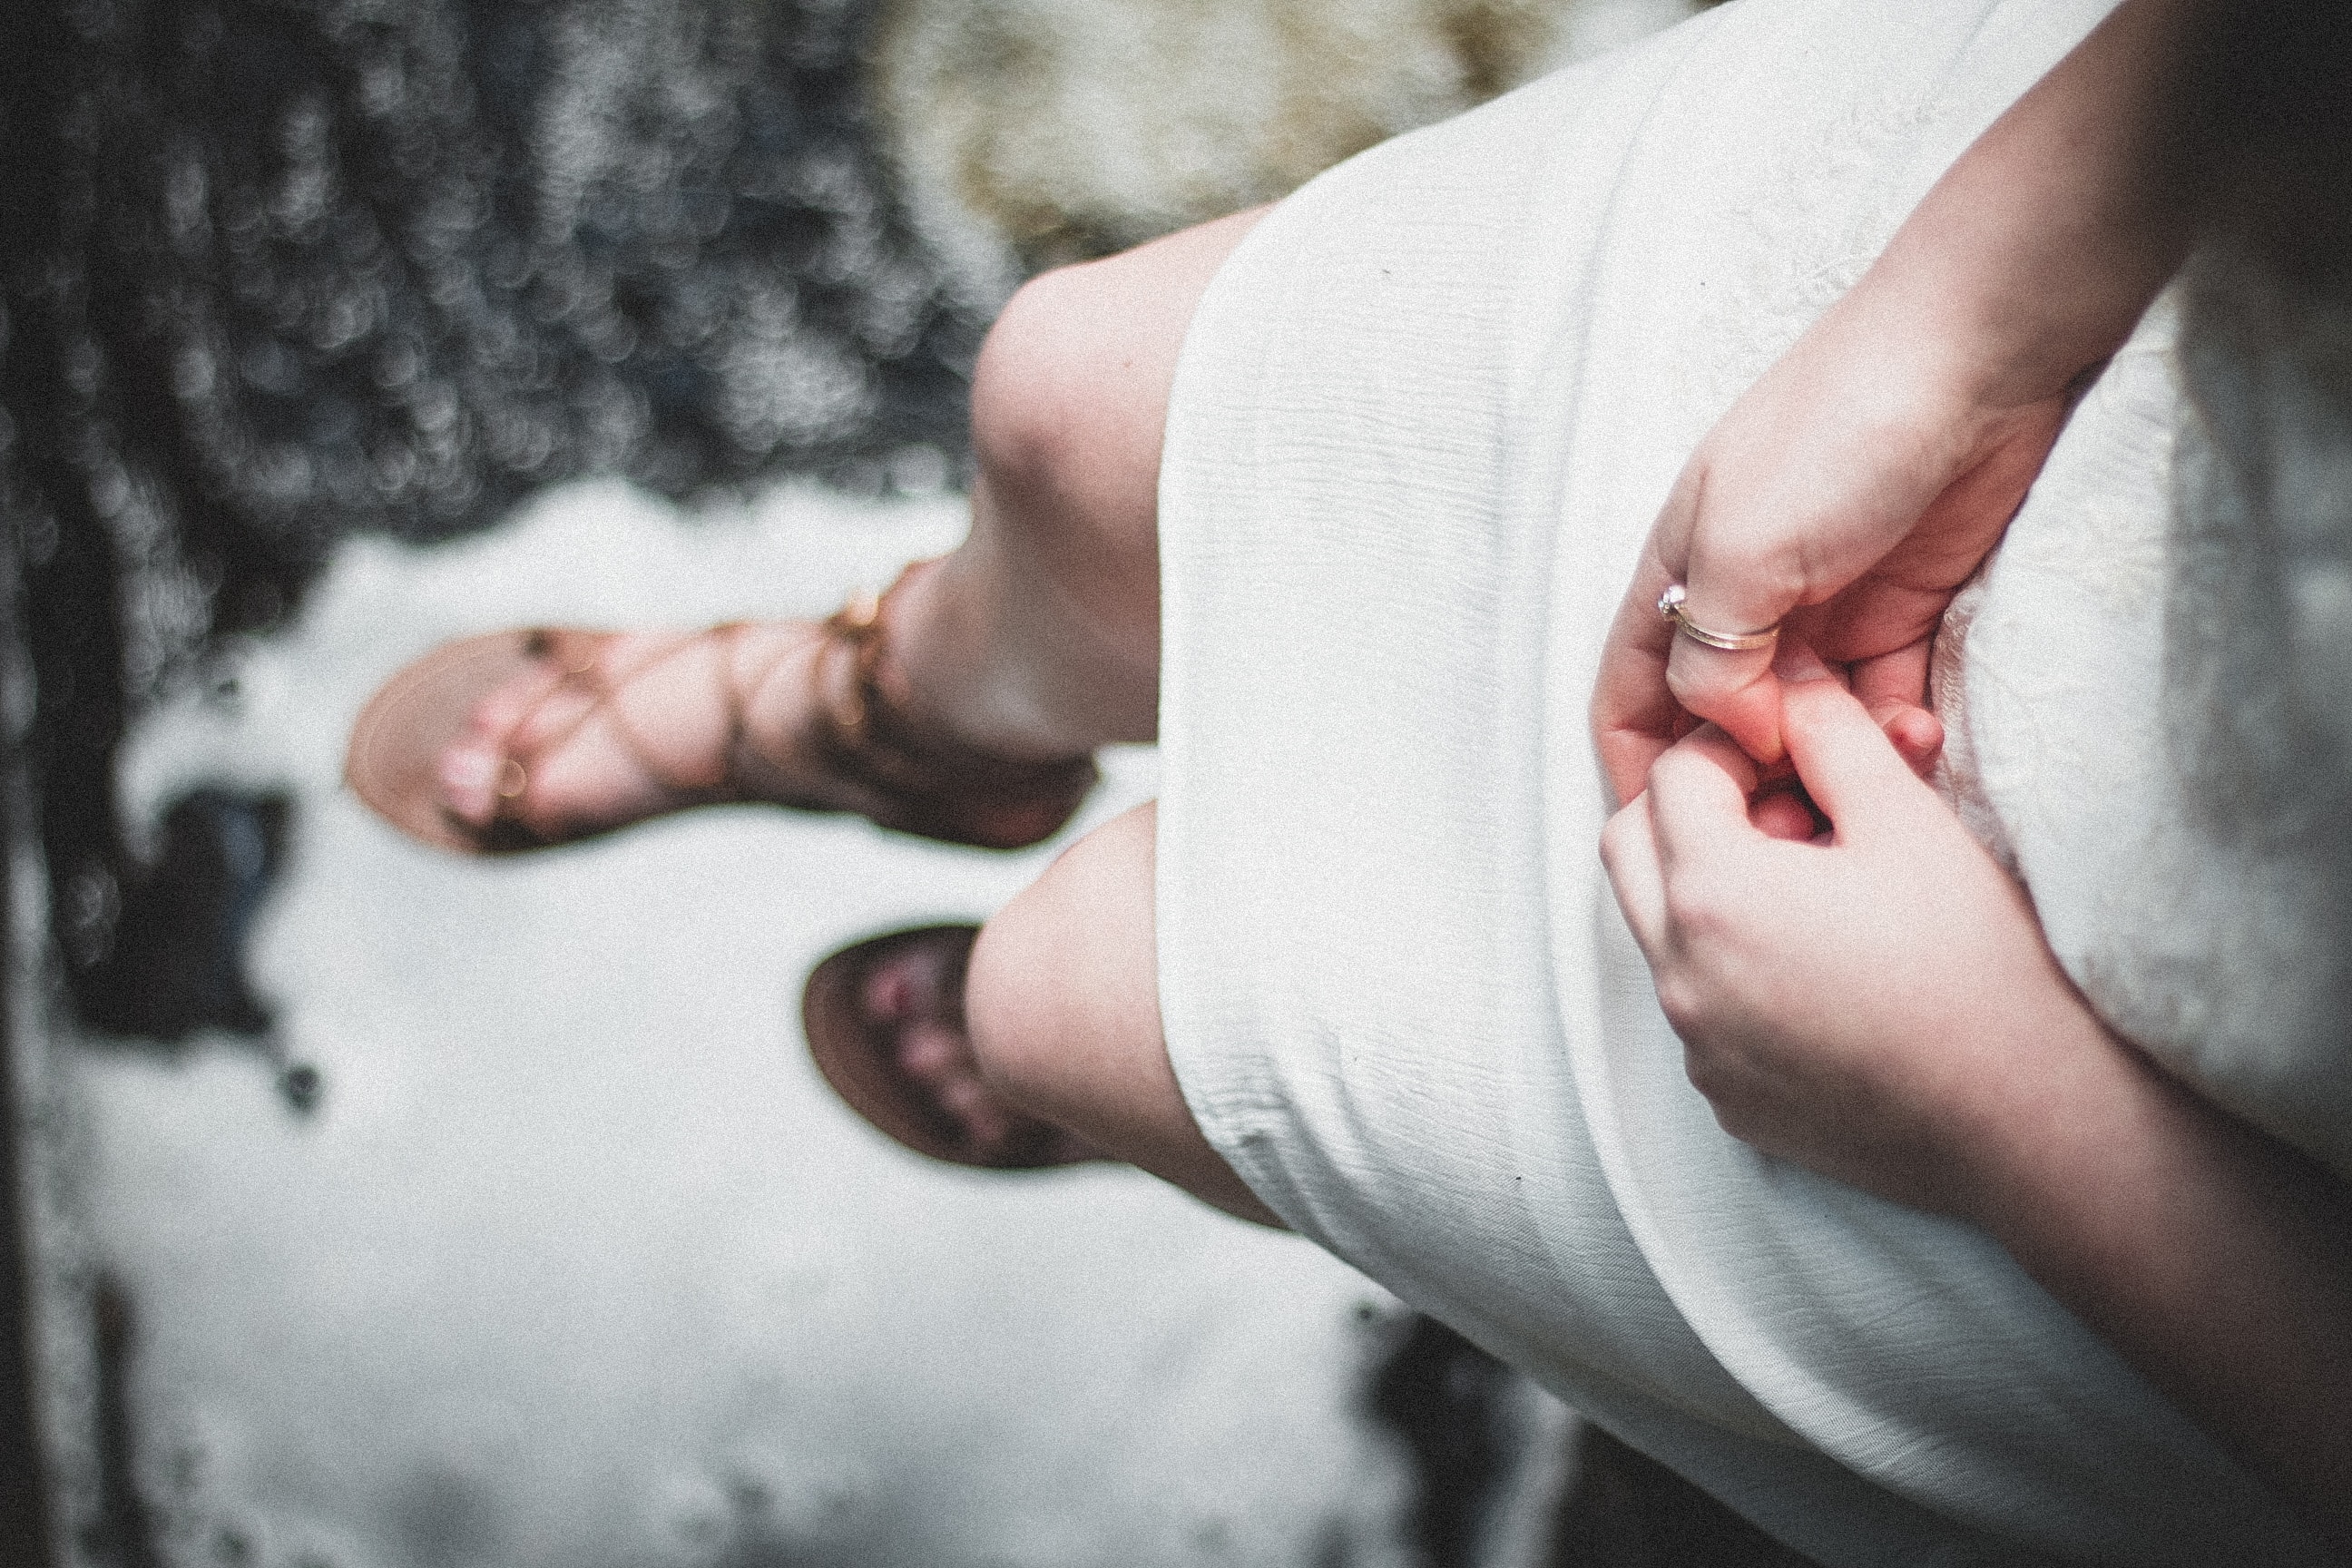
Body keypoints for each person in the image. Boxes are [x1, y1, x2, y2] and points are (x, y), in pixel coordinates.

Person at [345, 0, 2352, 1559]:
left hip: (2186, 1199)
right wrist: (1962, 322)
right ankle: (904, 713)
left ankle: (1173, 970)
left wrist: (2004, 1108)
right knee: (1071, 402)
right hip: (2148, 246)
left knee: (1062, 994)